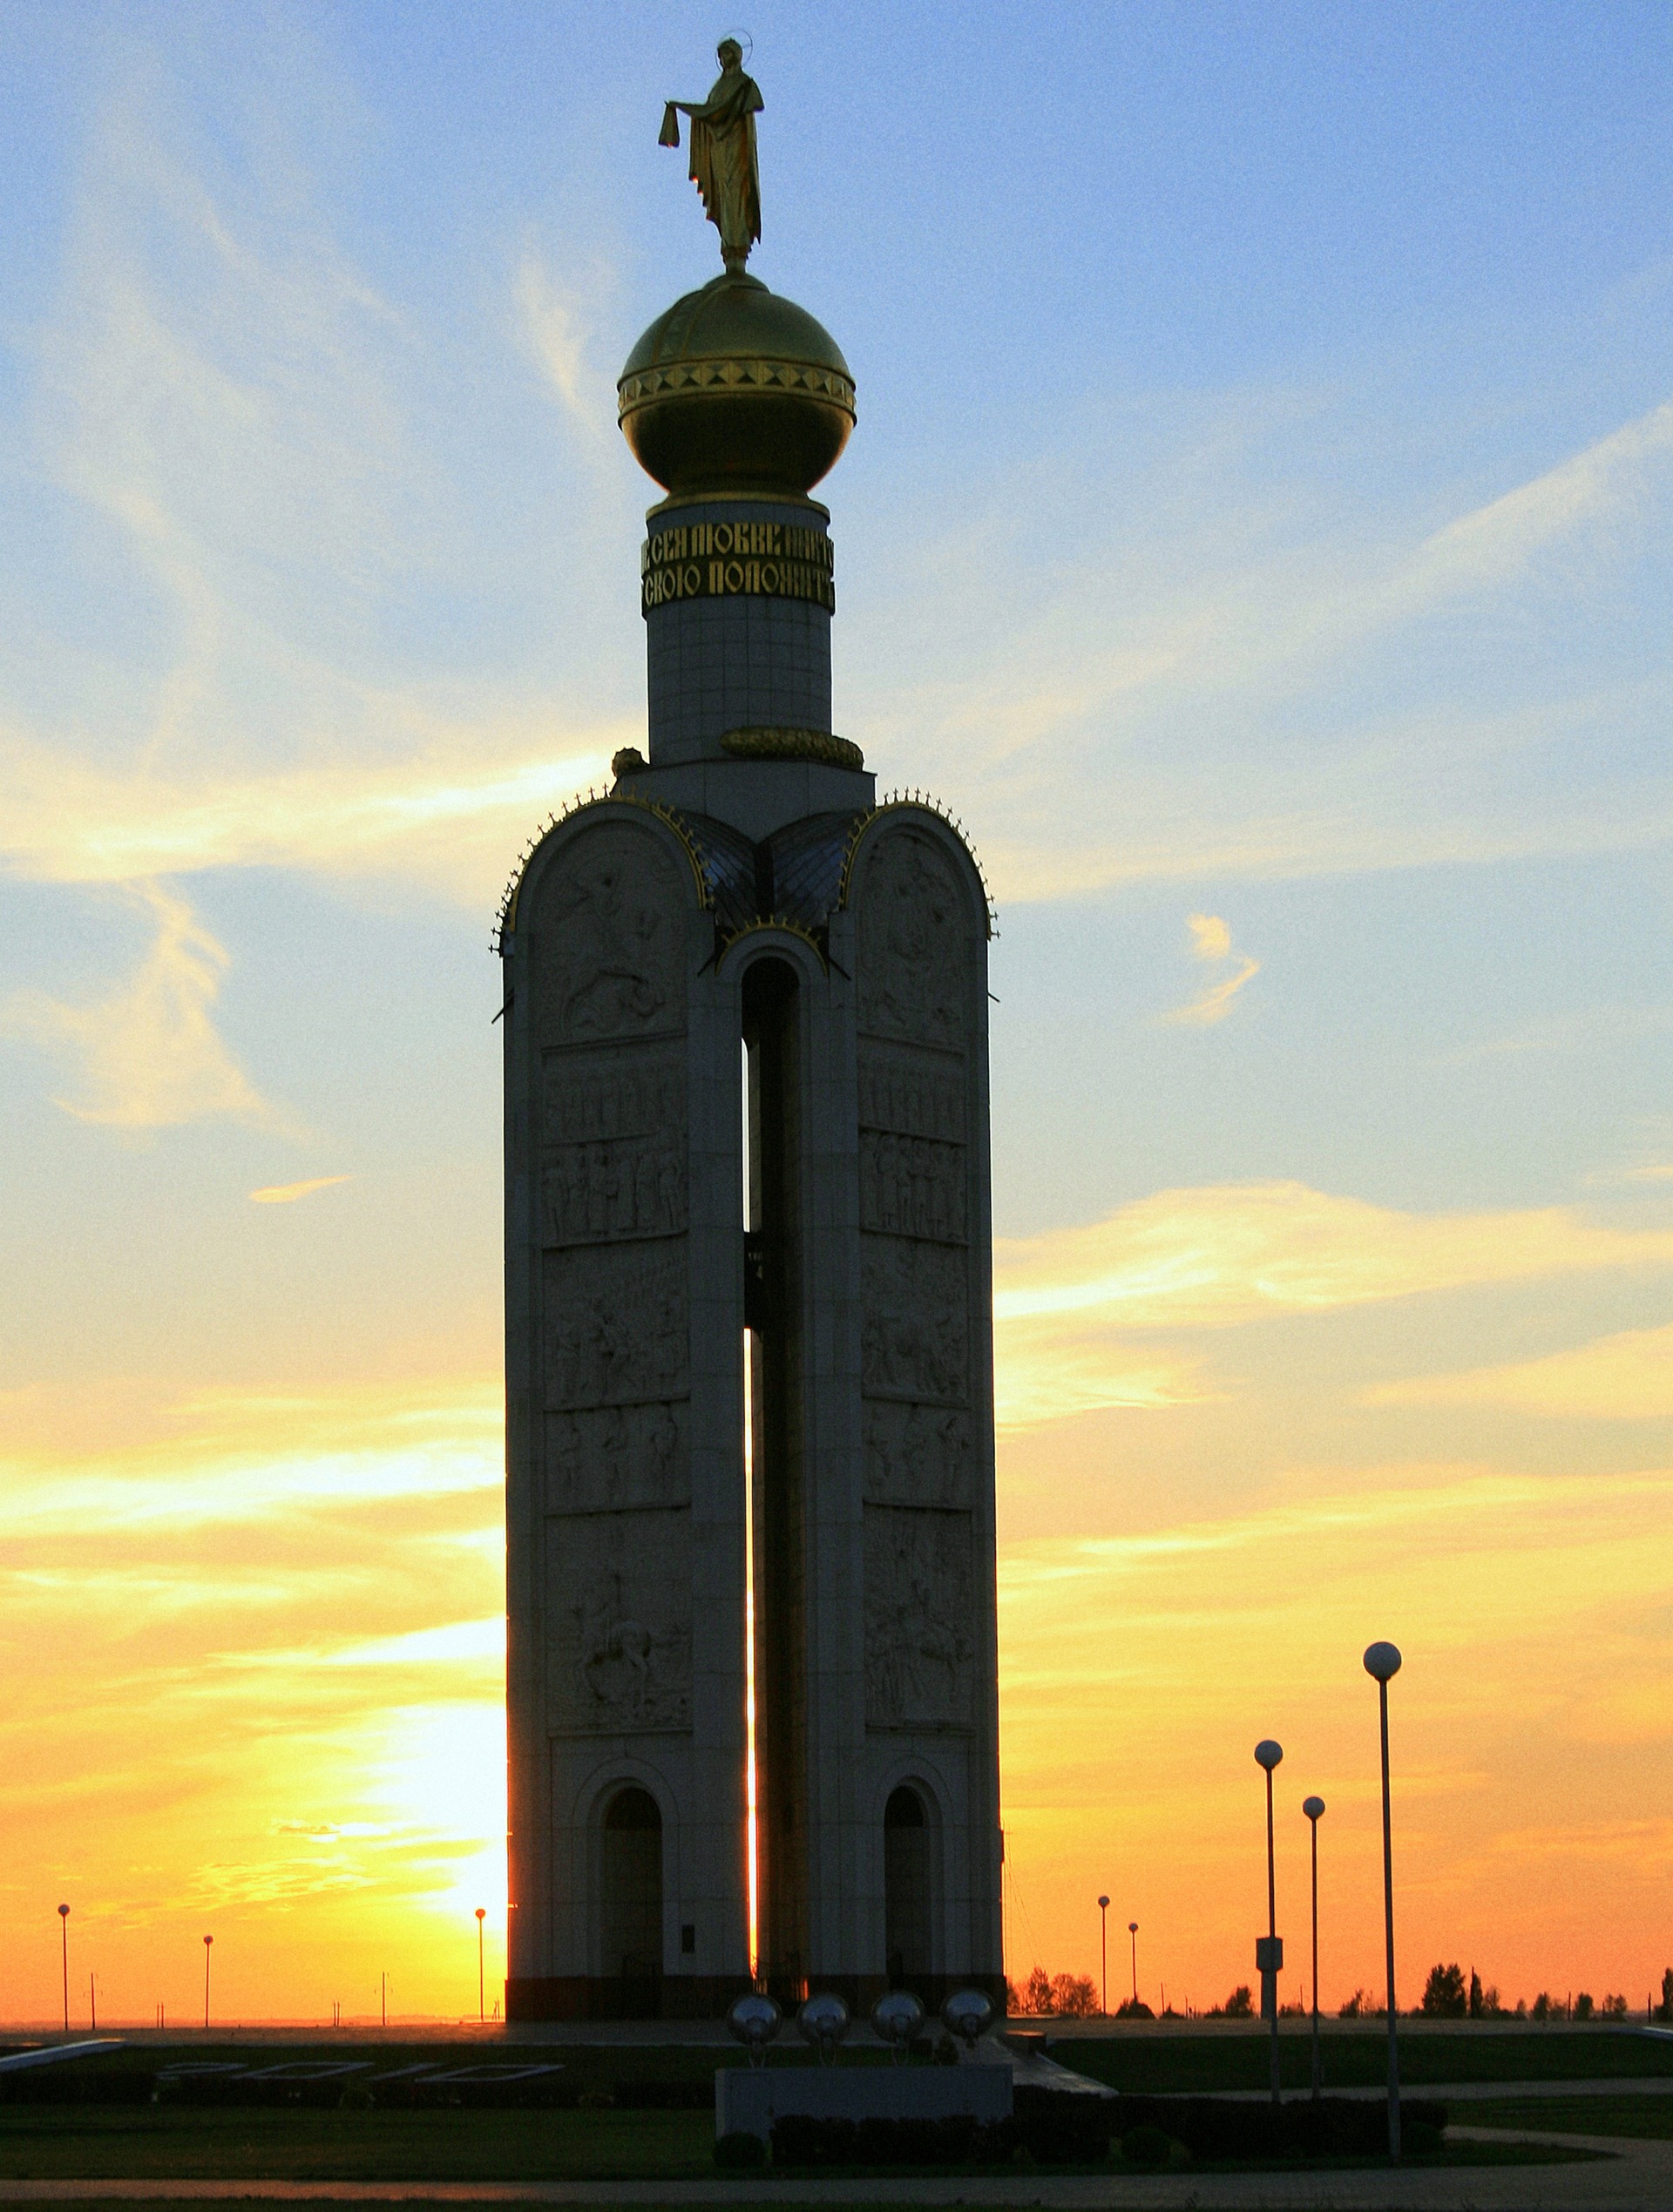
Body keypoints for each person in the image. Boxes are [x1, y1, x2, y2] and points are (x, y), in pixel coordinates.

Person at [664, 40, 763, 272]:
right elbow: (710, 113)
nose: (722, 59)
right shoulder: (718, 88)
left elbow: (716, 112)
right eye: (720, 55)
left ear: (737, 55)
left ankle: (738, 243)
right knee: (724, 192)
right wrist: (683, 107)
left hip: (736, 151)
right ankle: (729, 241)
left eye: (726, 53)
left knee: (736, 192)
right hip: (719, 150)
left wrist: (689, 109)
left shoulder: (744, 85)